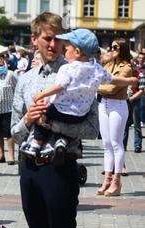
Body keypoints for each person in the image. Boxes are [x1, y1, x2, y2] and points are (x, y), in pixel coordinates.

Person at [11, 12, 100, 228]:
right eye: (47, 38)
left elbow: (92, 129)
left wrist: (51, 123)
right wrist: (27, 120)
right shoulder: (25, 80)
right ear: (34, 39)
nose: (53, 44)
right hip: (29, 170)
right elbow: (14, 133)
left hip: (59, 169)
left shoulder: (78, 73)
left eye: (58, 39)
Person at [20, 29, 136, 166]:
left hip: (59, 110)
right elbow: (115, 80)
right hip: (81, 114)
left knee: (42, 117)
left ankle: (35, 145)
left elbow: (59, 87)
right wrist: (129, 81)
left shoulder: (68, 68)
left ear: (77, 52)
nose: (64, 51)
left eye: (66, 48)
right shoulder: (98, 69)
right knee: (70, 124)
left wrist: (42, 93)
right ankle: (62, 141)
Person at [97, 39, 133, 196]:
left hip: (117, 105)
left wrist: (97, 88)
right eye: (111, 47)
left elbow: (112, 88)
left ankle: (117, 182)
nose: (111, 49)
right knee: (106, 144)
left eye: (115, 47)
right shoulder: (108, 64)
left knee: (116, 143)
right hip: (103, 104)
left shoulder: (127, 68)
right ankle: (107, 179)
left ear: (123, 48)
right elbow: (97, 79)